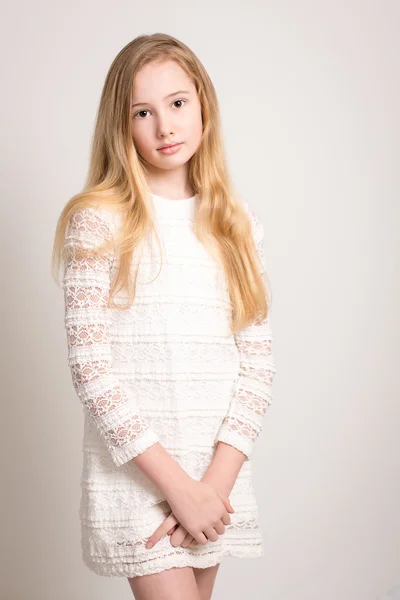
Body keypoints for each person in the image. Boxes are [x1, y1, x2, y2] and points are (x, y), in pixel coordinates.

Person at [52, 32, 277, 600]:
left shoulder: (236, 225)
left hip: (214, 475)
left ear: (203, 103)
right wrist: (178, 488)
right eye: (143, 112)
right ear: (121, 125)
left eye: (178, 103)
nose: (165, 127)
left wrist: (211, 488)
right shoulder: (98, 222)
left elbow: (257, 367)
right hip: (141, 476)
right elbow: (92, 372)